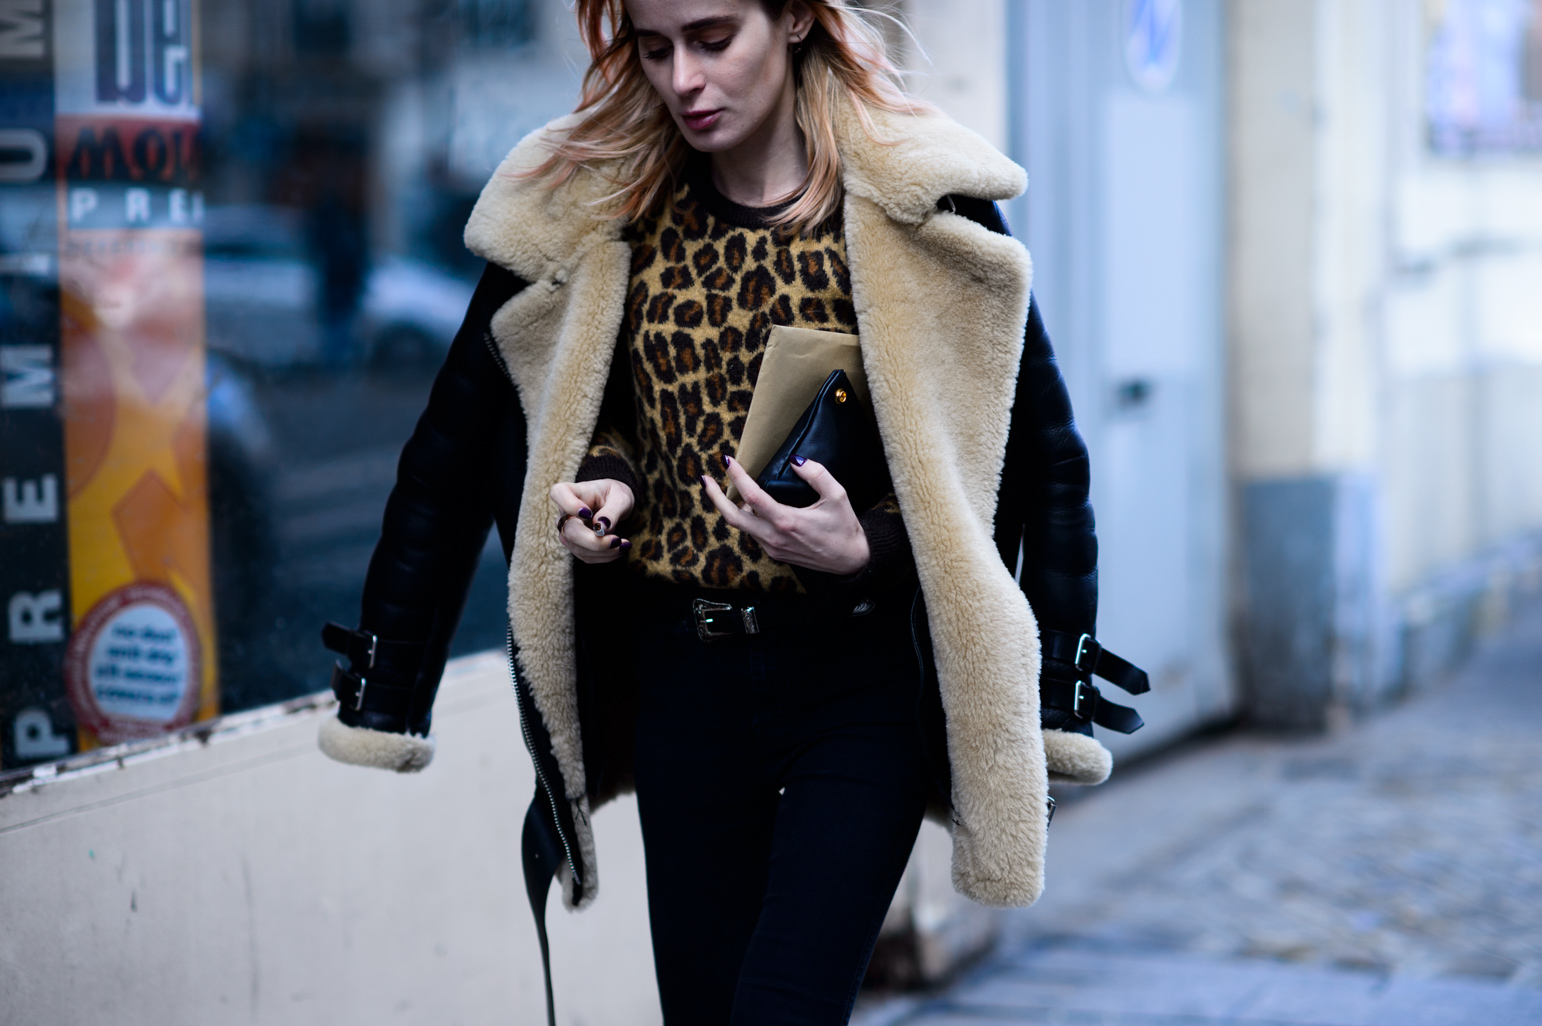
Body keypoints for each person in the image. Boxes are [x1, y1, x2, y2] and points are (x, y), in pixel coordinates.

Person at [316, 1, 1146, 1023]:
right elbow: (460, 439)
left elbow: (1041, 455)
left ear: (793, 18)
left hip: (858, 683)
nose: (683, 80)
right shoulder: (601, 204)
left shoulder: (913, 205)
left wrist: (876, 553)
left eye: (713, 40)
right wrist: (607, 483)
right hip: (683, 687)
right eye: (655, 48)